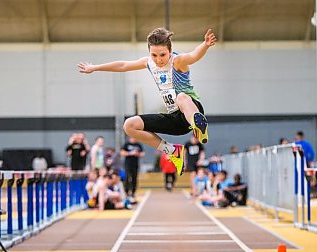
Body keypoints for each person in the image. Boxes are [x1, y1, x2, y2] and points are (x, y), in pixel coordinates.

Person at [78, 28, 217, 176]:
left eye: (163, 55)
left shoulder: (177, 61)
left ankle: (199, 126)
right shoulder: (149, 63)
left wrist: (205, 45)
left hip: (191, 108)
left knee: (181, 96)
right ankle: (173, 151)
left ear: (170, 51)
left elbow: (193, 55)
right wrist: (95, 68)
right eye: (154, 55)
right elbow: (123, 65)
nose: (158, 59)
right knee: (129, 125)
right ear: (149, 53)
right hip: (175, 119)